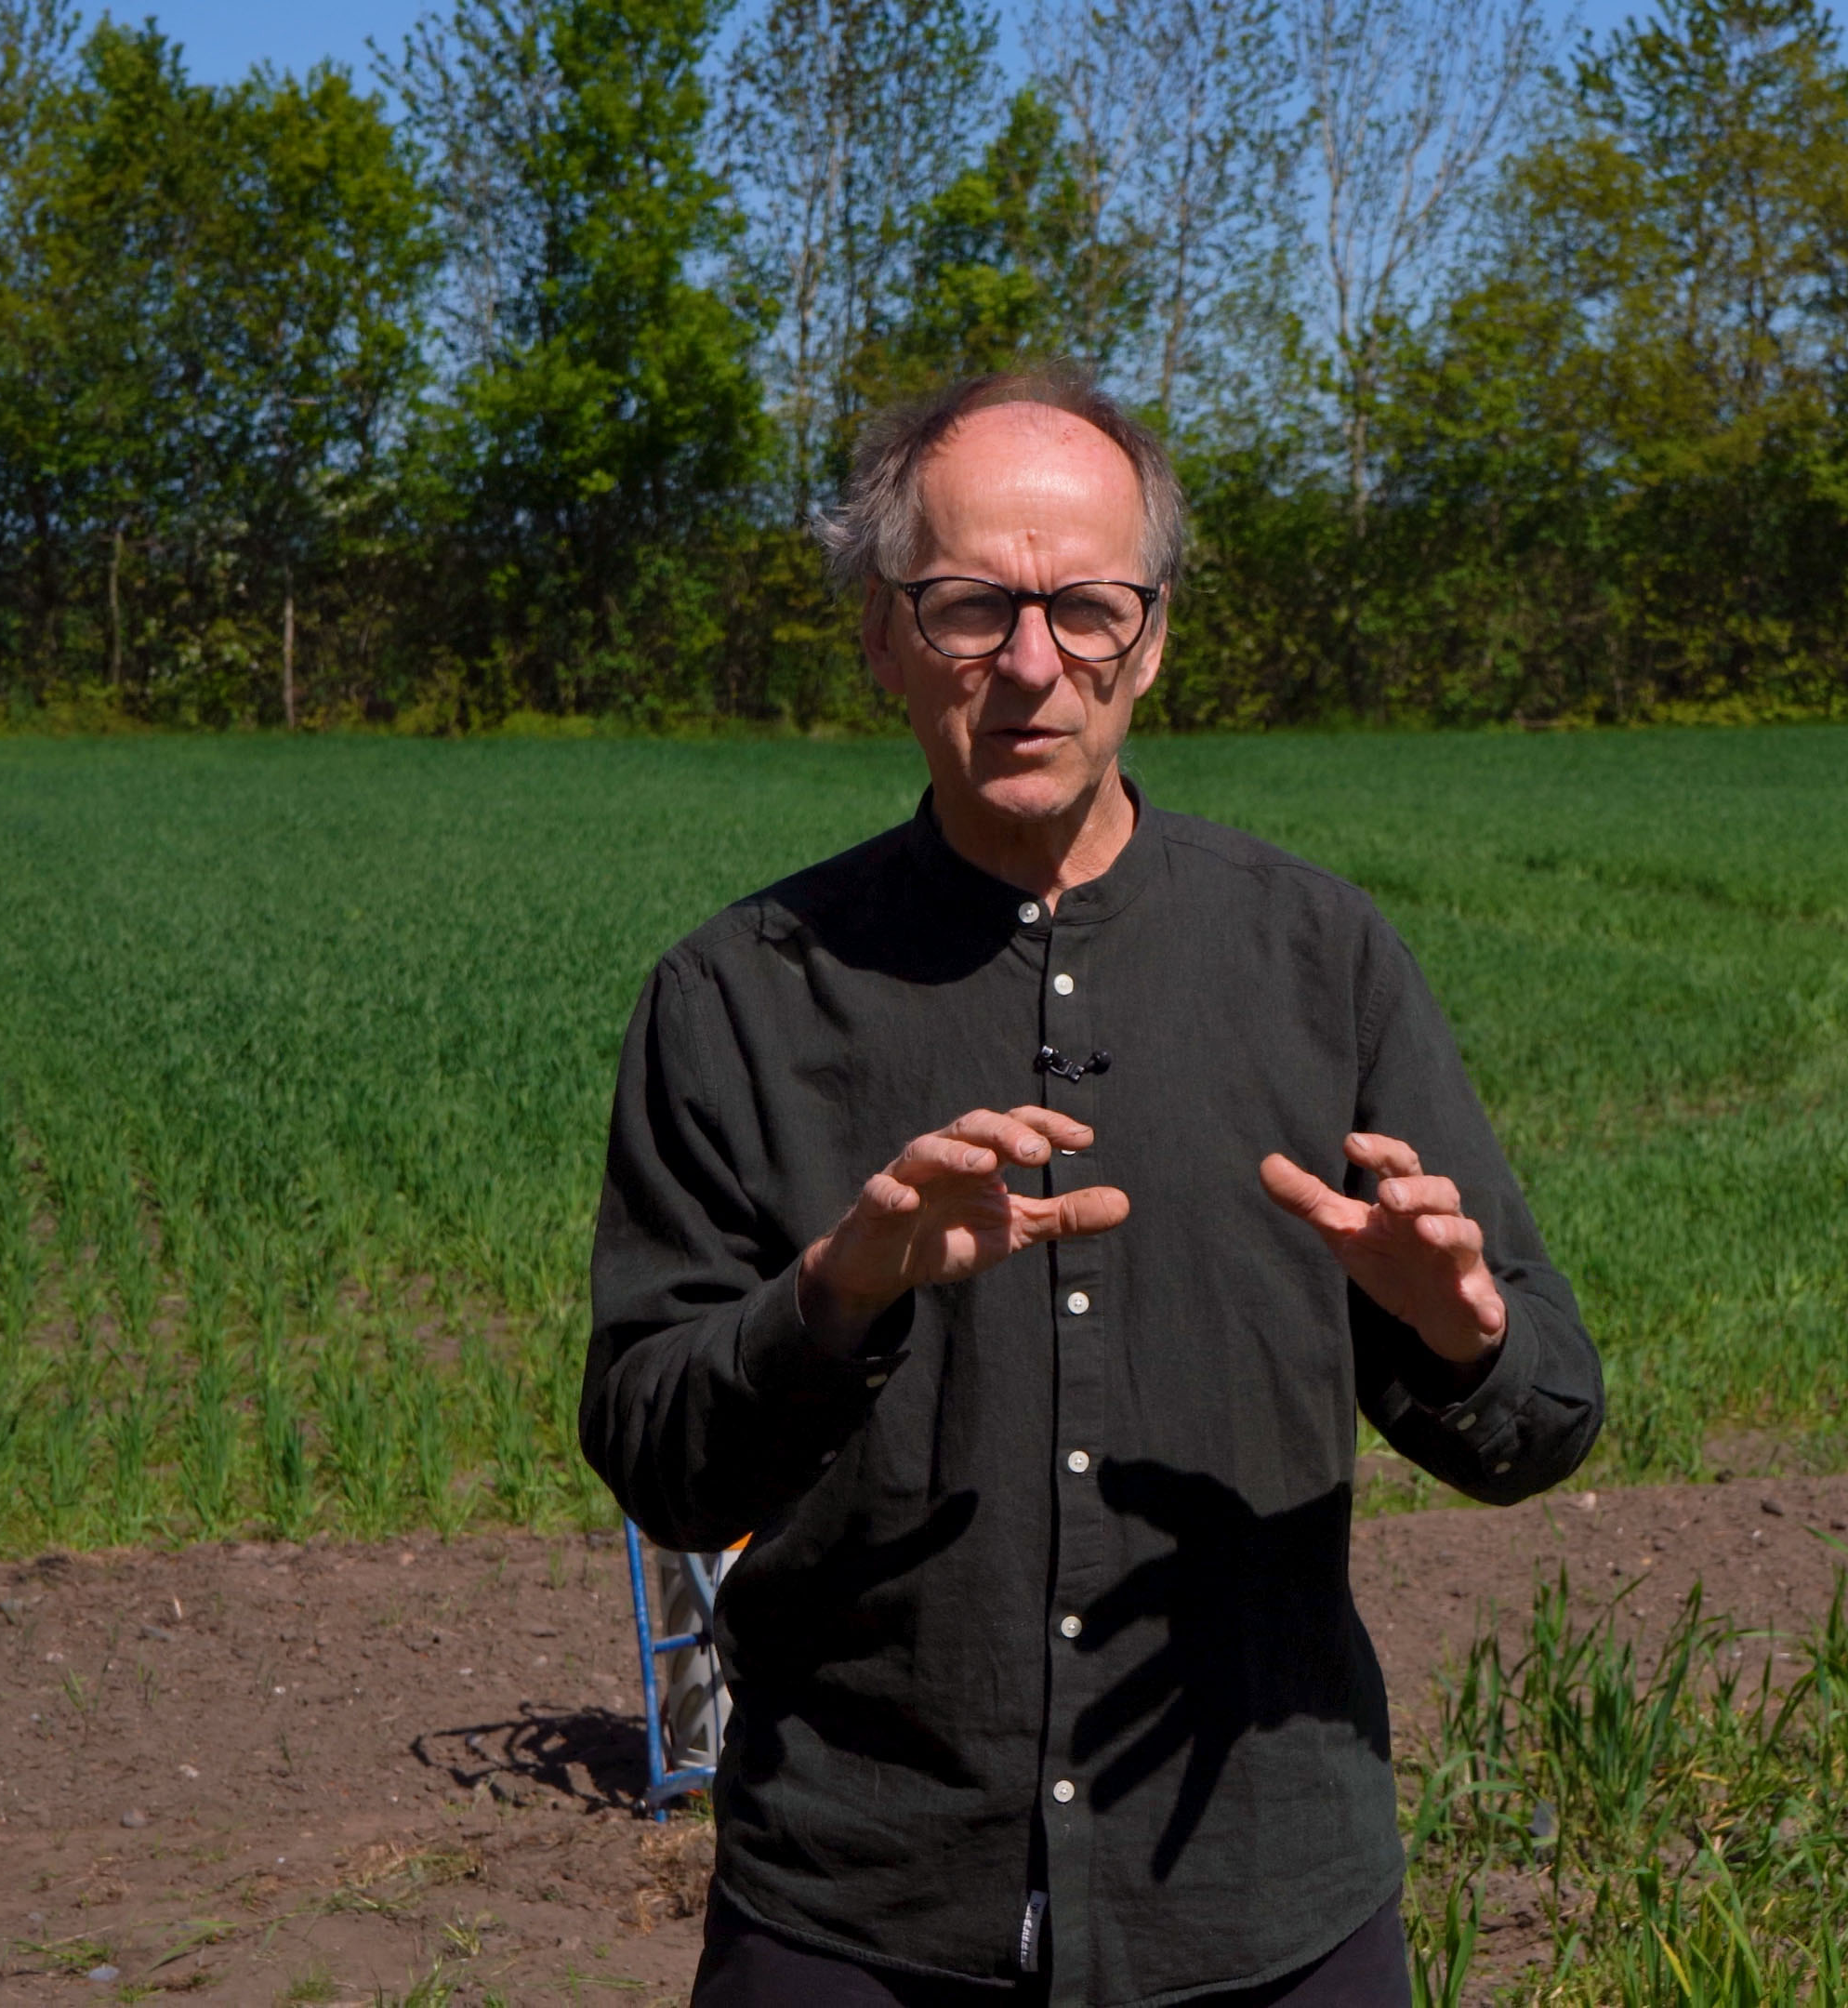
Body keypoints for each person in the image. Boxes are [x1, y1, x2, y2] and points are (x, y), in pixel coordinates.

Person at [580, 363, 1605, 2008]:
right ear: (880, 638)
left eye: (1090, 607)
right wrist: (835, 1297)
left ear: (1159, 634)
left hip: (1261, 1891)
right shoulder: (737, 997)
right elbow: (659, 1462)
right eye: (972, 606)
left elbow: (1547, 1419)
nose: (1035, 665)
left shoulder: (1319, 963)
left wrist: (1462, 1337)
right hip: (860, 1900)